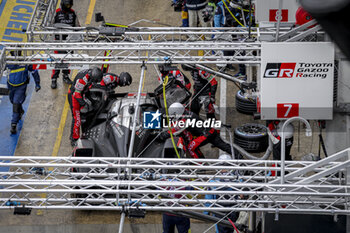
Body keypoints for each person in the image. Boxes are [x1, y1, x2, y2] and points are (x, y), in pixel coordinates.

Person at [68, 67, 132, 146]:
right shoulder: (82, 80)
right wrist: (84, 104)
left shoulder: (91, 74)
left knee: (89, 108)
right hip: (74, 96)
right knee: (77, 119)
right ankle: (74, 139)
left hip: (82, 93)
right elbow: (76, 94)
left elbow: (87, 88)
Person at [160, 102, 233, 158]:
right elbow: (175, 124)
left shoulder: (185, 120)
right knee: (224, 146)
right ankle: (201, 160)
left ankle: (199, 165)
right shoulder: (185, 112)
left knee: (190, 147)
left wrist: (162, 135)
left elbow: (173, 131)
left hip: (207, 134)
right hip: (207, 132)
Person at [6, 51, 41, 134]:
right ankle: (20, 110)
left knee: (16, 102)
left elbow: (34, 71)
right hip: (11, 86)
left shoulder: (25, 61)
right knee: (13, 102)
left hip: (21, 87)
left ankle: (13, 124)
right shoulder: (8, 61)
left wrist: (37, 83)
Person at [51, 0, 80, 89]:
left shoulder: (73, 13)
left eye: (70, 5)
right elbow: (50, 25)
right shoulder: (56, 12)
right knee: (58, 60)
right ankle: (54, 79)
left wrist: (78, 34)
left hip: (69, 40)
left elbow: (77, 25)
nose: (69, 7)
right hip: (58, 41)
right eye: (67, 5)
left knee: (68, 58)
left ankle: (66, 76)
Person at [214, 0, 246, 75]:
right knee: (223, 49)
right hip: (224, 29)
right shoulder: (221, 4)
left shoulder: (238, 3)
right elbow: (217, 18)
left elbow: (241, 15)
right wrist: (218, 31)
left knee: (236, 48)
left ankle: (231, 65)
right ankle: (224, 66)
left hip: (235, 29)